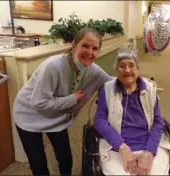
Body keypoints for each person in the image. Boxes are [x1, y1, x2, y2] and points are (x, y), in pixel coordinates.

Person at [13, 28, 114, 175]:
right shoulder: (53, 66)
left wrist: (139, 80)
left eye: (95, 48)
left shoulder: (93, 70)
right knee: (38, 163)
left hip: (56, 117)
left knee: (65, 158)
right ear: (74, 46)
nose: (90, 52)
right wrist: (72, 99)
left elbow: (112, 82)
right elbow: (39, 102)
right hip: (28, 115)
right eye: (85, 46)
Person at [94, 48, 170, 175]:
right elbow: (100, 120)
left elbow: (158, 121)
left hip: (149, 144)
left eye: (131, 66)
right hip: (116, 147)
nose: (127, 70)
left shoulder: (150, 88)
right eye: (122, 66)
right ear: (116, 71)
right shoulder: (107, 89)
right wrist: (122, 147)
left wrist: (149, 152)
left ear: (138, 70)